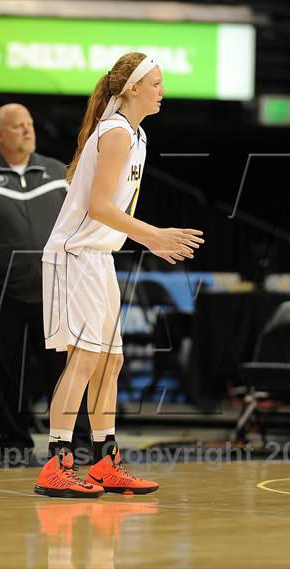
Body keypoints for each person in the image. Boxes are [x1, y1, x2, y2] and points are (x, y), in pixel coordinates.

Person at [34, 52, 204, 498]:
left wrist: (148, 238)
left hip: (99, 256)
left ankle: (105, 462)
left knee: (111, 361)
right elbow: (99, 208)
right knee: (85, 360)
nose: (161, 90)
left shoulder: (137, 135)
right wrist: (154, 236)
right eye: (156, 83)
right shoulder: (113, 133)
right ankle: (57, 461)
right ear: (131, 88)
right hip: (75, 256)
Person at [0, 103, 90, 465]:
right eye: (17, 126)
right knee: (6, 374)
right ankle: (15, 444)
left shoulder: (60, 174)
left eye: (29, 124)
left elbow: (82, 223)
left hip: (56, 291)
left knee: (64, 373)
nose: (27, 131)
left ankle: (77, 443)